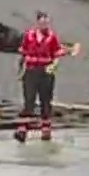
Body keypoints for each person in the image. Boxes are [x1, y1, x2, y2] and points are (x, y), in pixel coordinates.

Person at [16, 11, 62, 142]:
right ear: (37, 23)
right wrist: (20, 71)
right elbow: (23, 54)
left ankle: (45, 129)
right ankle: (23, 128)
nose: (44, 24)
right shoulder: (29, 36)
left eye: (46, 22)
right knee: (29, 99)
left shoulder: (52, 37)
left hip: (46, 71)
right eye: (42, 22)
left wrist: (53, 66)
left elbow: (57, 55)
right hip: (31, 71)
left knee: (46, 100)